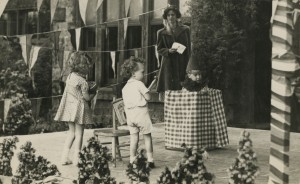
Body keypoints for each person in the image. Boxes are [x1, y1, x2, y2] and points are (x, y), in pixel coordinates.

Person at [54, 52, 96, 165]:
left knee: (71, 133)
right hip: (79, 109)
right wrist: (94, 93)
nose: (89, 69)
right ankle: (78, 158)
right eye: (88, 67)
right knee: (79, 134)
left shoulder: (70, 77)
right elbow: (86, 97)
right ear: (83, 67)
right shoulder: (83, 82)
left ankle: (64, 157)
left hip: (69, 108)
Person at [120, 57, 156, 168]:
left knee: (134, 138)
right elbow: (148, 97)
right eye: (142, 72)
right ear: (133, 74)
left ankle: (132, 160)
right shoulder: (139, 84)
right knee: (147, 136)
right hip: (141, 114)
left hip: (130, 116)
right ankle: (150, 160)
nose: (144, 74)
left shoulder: (125, 88)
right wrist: (148, 93)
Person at [156, 5, 191, 100]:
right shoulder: (161, 32)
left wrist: (188, 66)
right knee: (169, 88)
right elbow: (159, 49)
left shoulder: (185, 30)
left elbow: (189, 49)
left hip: (182, 61)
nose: (171, 17)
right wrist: (168, 50)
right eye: (168, 15)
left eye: (173, 15)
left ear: (177, 16)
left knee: (182, 87)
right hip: (168, 63)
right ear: (166, 17)